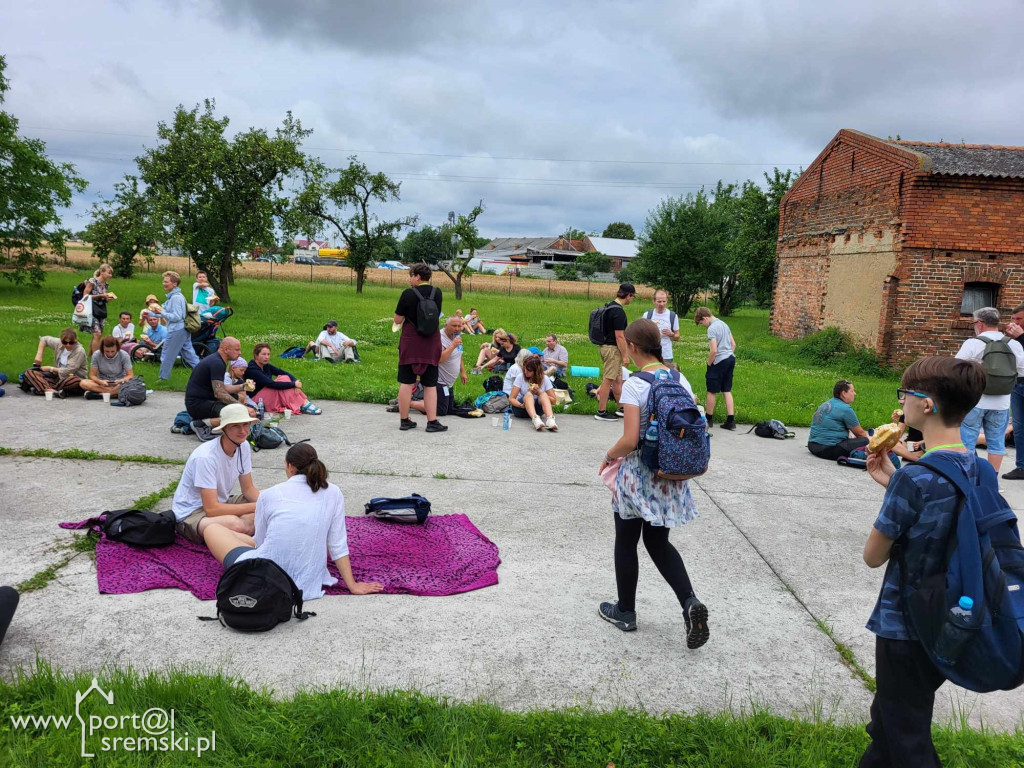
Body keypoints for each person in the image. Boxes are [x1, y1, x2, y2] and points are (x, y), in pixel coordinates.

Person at [859, 356, 986, 767]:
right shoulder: (979, 470)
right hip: (950, 620)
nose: (901, 405)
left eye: (905, 395)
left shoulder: (915, 479)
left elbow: (873, 556)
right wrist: (891, 480)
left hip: (904, 624)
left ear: (926, 405)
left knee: (905, 734)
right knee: (889, 721)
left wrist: (897, 485)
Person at [597, 318, 708, 647]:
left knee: (626, 540)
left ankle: (625, 612)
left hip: (639, 474)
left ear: (631, 347)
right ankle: (690, 603)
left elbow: (630, 439)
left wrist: (608, 455)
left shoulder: (634, 384)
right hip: (670, 473)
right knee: (658, 543)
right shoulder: (679, 377)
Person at [202, 443, 384, 598]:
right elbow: (338, 543)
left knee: (212, 529)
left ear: (290, 467)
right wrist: (352, 585)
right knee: (245, 537)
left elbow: (260, 541)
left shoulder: (270, 494)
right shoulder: (333, 492)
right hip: (307, 579)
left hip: (261, 575)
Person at [170, 403, 261, 543]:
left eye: (246, 424)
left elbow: (249, 489)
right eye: (235, 426)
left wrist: (268, 502)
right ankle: (246, 530)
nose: (242, 430)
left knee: (269, 500)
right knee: (238, 525)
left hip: (221, 502)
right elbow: (211, 509)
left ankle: (241, 529)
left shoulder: (243, 446)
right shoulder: (206, 457)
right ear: (224, 429)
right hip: (192, 513)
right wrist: (257, 507)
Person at [954, 306, 1024, 473]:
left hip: (975, 400)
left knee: (968, 441)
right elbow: (1022, 371)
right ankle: (991, 480)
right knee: (997, 442)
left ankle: (969, 478)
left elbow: (955, 369)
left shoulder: (973, 343)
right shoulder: (1013, 344)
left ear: (979, 323)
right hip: (1002, 402)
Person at [394, 263, 447, 432]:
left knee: (406, 381)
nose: (409, 279)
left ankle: (404, 420)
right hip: (431, 342)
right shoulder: (436, 292)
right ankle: (432, 422)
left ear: (417, 276)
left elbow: (397, 320)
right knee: (430, 384)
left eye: (410, 276)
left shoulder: (407, 294)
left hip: (411, 342)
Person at [184, 336, 256, 439]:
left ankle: (212, 424)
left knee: (239, 398)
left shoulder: (217, 360)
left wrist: (242, 387)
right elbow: (220, 394)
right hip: (198, 404)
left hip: (204, 400)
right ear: (226, 349)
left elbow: (220, 387)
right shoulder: (217, 363)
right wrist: (243, 407)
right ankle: (200, 424)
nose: (240, 352)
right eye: (237, 349)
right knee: (237, 412)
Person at [401, 315, 468, 418]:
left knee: (449, 409)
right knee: (440, 410)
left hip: (448, 383)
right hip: (438, 381)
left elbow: (459, 354)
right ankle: (407, 403)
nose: (457, 329)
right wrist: (453, 345)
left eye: (459, 326)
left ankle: (416, 401)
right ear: (446, 325)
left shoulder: (456, 336)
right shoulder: (439, 338)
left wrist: (463, 372)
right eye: (454, 326)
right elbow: (439, 359)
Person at [148, 271, 200, 380]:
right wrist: (150, 314)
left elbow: (177, 316)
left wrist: (161, 313)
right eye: (164, 281)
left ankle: (163, 378)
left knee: (167, 355)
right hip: (182, 330)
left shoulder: (176, 298)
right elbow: (165, 311)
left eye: (166, 281)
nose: (163, 283)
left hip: (177, 330)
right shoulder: (172, 297)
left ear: (174, 284)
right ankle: (204, 375)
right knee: (190, 355)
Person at [595, 283, 636, 421]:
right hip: (613, 349)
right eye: (632, 297)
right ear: (628, 295)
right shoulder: (618, 312)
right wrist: (625, 356)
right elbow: (620, 336)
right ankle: (601, 411)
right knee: (608, 380)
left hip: (605, 347)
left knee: (618, 380)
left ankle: (621, 408)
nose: (632, 300)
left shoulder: (609, 306)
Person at [246, 343, 322, 415]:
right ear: (256, 355)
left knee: (284, 377)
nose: (267, 357)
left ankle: (303, 402)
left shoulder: (264, 365)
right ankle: (301, 404)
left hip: (267, 392)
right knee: (283, 382)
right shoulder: (253, 369)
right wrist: (293, 384)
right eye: (264, 354)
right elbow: (271, 384)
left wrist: (295, 381)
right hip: (257, 399)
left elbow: (281, 372)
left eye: (268, 354)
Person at [694, 306, 736, 430]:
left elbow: (714, 350)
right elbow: (733, 344)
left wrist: (709, 363)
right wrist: (727, 354)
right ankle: (730, 420)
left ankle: (709, 418)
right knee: (726, 389)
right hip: (730, 358)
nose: (703, 325)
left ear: (705, 318)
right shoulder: (724, 324)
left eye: (702, 322)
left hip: (719, 361)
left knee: (712, 390)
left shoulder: (712, 328)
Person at [807, 380, 870, 460]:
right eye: (852, 391)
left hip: (812, 445)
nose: (854, 394)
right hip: (828, 450)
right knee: (865, 441)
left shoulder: (825, 404)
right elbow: (861, 434)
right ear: (844, 393)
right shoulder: (846, 409)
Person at [23, 328, 88, 397]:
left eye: (71, 342)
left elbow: (69, 370)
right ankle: (53, 391)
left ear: (76, 340)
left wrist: (50, 368)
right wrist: (39, 354)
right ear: (61, 341)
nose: (68, 345)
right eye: (65, 342)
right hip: (57, 378)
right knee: (29, 372)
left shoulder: (79, 351)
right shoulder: (59, 343)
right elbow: (44, 339)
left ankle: (42, 388)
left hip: (70, 378)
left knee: (74, 380)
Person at [509, 355, 558, 431]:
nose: (526, 372)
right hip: (521, 409)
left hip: (538, 409)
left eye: (529, 371)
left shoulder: (545, 379)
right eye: (524, 369)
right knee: (529, 394)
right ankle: (535, 420)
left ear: (536, 371)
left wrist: (539, 392)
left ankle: (550, 420)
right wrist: (520, 405)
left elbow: (554, 400)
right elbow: (511, 399)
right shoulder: (520, 377)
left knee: (543, 394)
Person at [1004, 302, 1024, 480]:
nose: (1015, 323)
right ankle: (1021, 466)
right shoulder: (1015, 337)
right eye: (1013, 319)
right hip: (1017, 383)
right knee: (1019, 426)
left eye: (1019, 319)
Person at [80, 263, 116, 354]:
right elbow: (85, 296)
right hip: (91, 310)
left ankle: (90, 355)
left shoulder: (106, 285)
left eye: (111, 273)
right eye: (109, 273)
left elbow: (102, 298)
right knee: (97, 334)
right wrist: (101, 295)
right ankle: (96, 358)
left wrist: (107, 298)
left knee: (98, 335)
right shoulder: (92, 281)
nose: (110, 275)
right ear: (101, 272)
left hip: (101, 310)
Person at [644, 290, 680, 369]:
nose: (662, 304)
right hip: (651, 353)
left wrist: (671, 334)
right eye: (659, 301)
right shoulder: (647, 315)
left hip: (666, 354)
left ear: (667, 301)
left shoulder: (672, 316)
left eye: (664, 301)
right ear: (654, 301)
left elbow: (677, 336)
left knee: (665, 376)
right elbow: (642, 335)